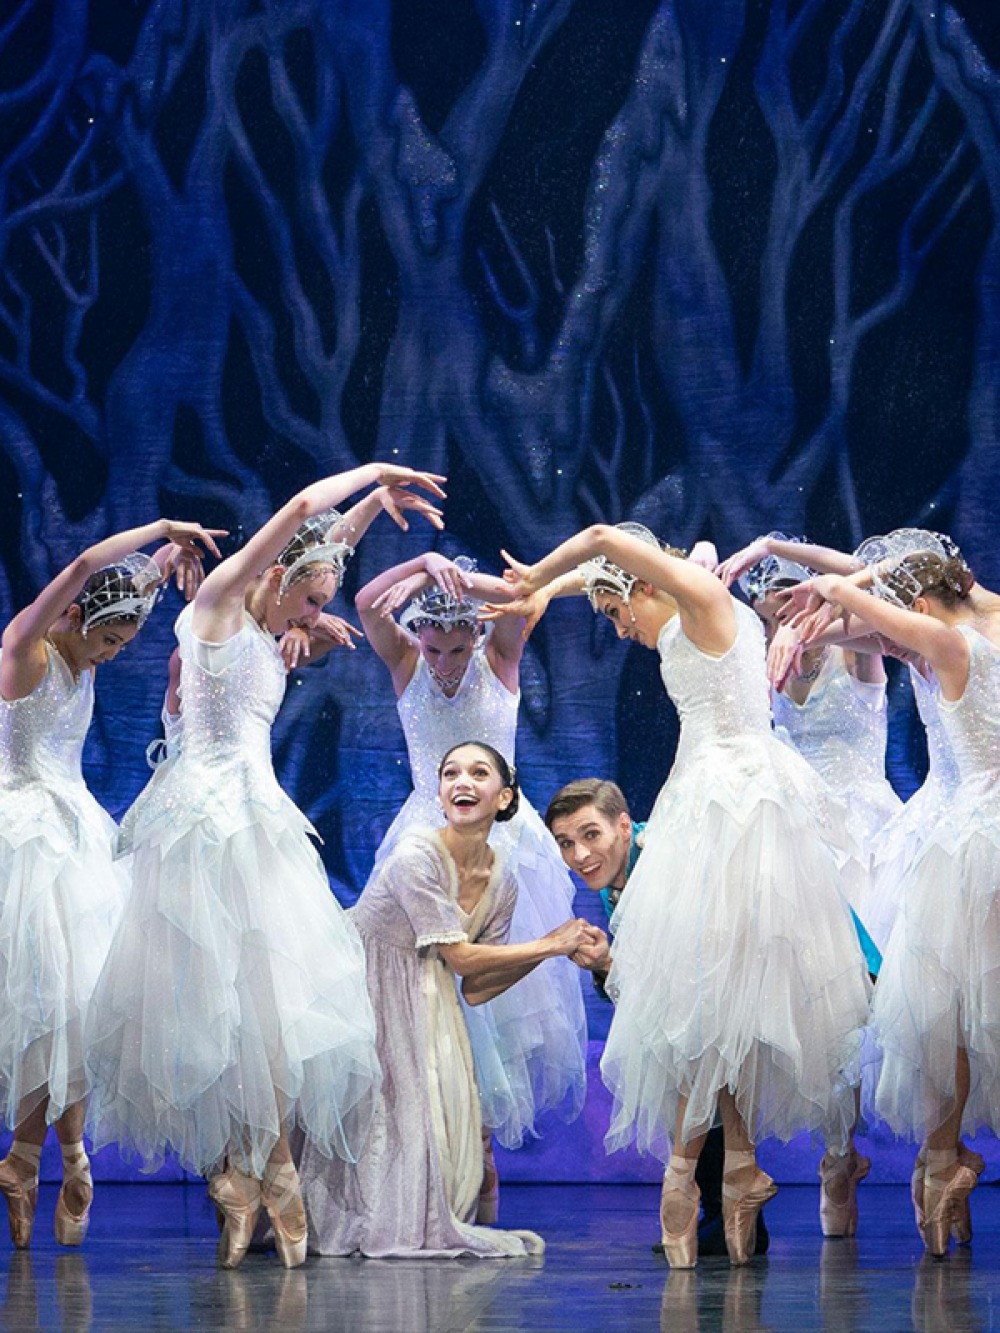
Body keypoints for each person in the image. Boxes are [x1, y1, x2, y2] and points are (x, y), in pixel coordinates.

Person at [85, 462, 444, 1270]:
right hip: (204, 826)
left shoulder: (277, 620)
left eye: (322, 604)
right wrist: (373, 472)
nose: (317, 617)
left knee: (273, 1007)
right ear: (275, 573)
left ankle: (271, 1164)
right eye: (311, 600)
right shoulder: (215, 604)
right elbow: (299, 515)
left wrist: (368, 515)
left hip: (260, 822)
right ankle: (235, 1173)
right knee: (211, 1004)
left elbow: (321, 541)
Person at [490, 522, 871, 1267]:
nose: (618, 628)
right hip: (706, 797)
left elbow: (605, 536)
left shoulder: (700, 602)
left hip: (738, 805)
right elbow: (624, 560)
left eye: (612, 611)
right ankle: (734, 1164)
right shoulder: (681, 608)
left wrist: (538, 572)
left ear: (638, 584)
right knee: (710, 986)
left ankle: (700, 1168)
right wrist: (560, 586)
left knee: (720, 977)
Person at [0, 519, 222, 1249]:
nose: (113, 653)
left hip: (75, 836)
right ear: (72, 616)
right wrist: (159, 526)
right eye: (108, 639)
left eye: (123, 642)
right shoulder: (24, 653)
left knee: (80, 1008)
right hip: (25, 838)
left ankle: (44, 1157)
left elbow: (118, 585)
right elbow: (86, 566)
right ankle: (53, 1156)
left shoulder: (86, 651)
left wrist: (163, 564)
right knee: (46, 1006)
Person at [301, 740, 599, 1257]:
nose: (462, 782)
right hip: (366, 983)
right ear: (440, 795)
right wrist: (552, 941)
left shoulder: (500, 881)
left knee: (422, 1125)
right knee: (377, 1114)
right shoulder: (415, 856)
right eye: (450, 774)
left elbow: (477, 987)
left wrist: (548, 953)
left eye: (478, 773)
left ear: (503, 797)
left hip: (425, 994)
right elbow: (461, 957)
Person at [787, 546, 1000, 1255]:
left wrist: (828, 588)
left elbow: (870, 610)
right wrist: (819, 614)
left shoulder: (945, 639)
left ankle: (943, 1158)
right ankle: (945, 1162)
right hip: (970, 818)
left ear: (916, 601)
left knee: (950, 1007)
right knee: (970, 1003)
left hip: (974, 827)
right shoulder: (983, 624)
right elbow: (869, 620)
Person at [353, 552, 588, 1165]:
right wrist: (424, 565)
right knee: (421, 993)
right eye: (435, 650)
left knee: (490, 1008)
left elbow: (520, 590)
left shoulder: (500, 659)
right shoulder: (407, 664)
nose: (446, 664)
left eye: (456, 651)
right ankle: (438, 1147)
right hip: (425, 846)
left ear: (476, 635)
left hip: (500, 841)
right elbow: (363, 605)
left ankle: (478, 1149)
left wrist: (460, 581)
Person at [545, 778, 768, 1258]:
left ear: (624, 826)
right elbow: (652, 993)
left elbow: (691, 974)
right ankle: (724, 1205)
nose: (580, 855)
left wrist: (613, 965)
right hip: (714, 990)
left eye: (590, 835)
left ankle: (704, 1190)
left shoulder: (664, 860)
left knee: (697, 1050)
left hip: (758, 968)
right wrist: (608, 964)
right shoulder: (622, 878)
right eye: (566, 843)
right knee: (679, 1055)